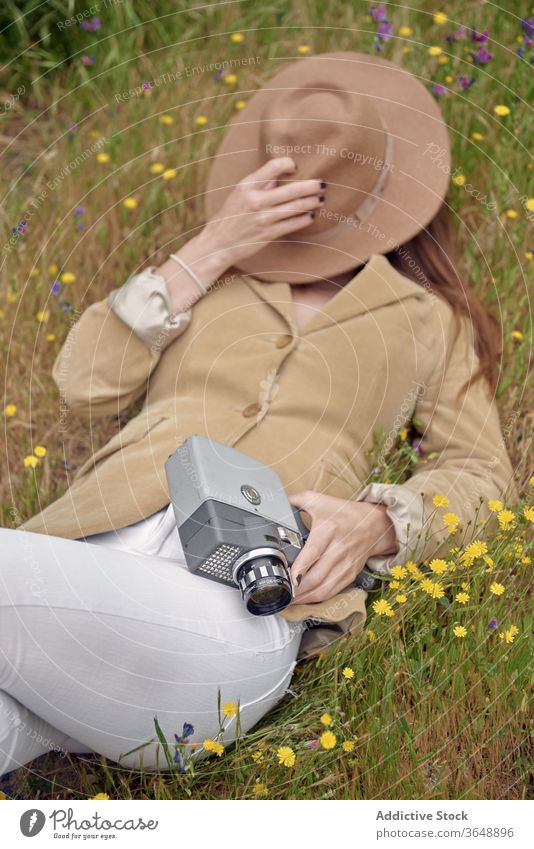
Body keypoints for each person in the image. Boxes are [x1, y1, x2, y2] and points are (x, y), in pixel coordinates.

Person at [0, 51, 517, 777]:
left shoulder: (426, 319)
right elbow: (83, 381)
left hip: (241, 612)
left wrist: (381, 523)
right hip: (78, 567)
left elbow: (483, 472)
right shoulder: (208, 279)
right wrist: (211, 247)